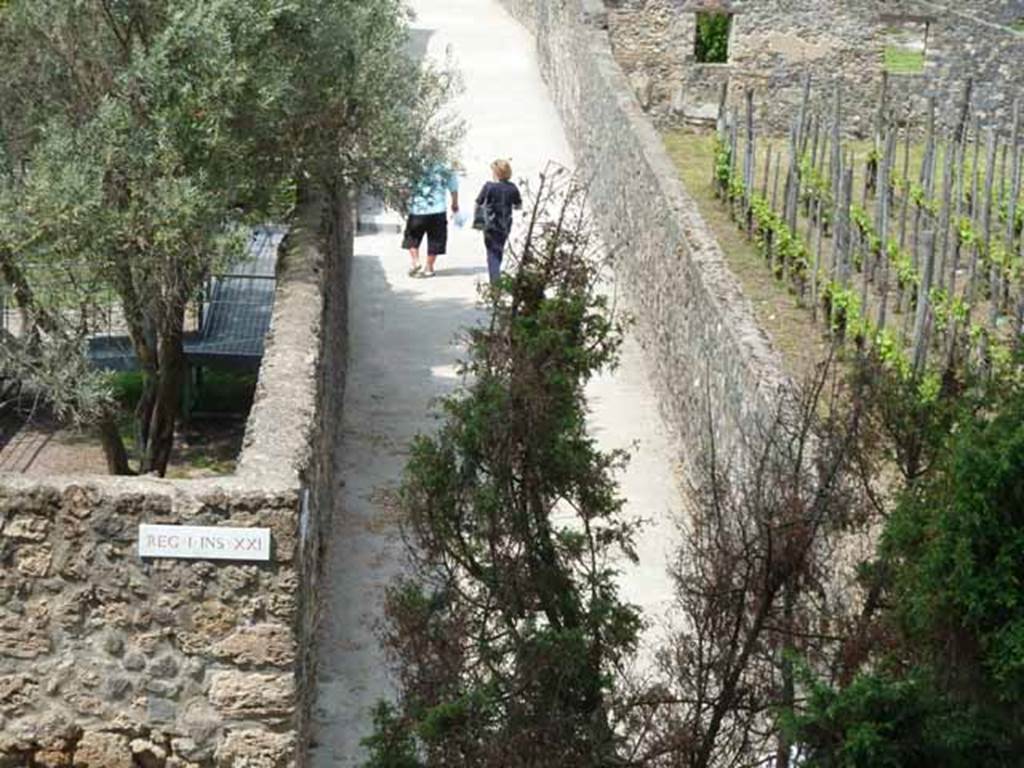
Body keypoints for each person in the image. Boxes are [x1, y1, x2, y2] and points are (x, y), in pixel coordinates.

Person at [403, 163, 459, 278]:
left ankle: (416, 261)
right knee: (436, 239)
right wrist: (454, 203)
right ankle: (429, 267)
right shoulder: (445, 165)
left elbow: (405, 186)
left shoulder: (416, 163)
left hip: (418, 209)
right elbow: (453, 188)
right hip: (438, 210)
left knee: (412, 236)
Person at [475, 159, 522, 284]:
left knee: (492, 253)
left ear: (496, 173)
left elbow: (478, 202)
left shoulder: (488, 186)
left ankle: (495, 283)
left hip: (490, 224)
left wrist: (478, 219)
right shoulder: (512, 188)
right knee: (499, 250)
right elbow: (518, 206)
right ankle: (496, 277)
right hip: (505, 224)